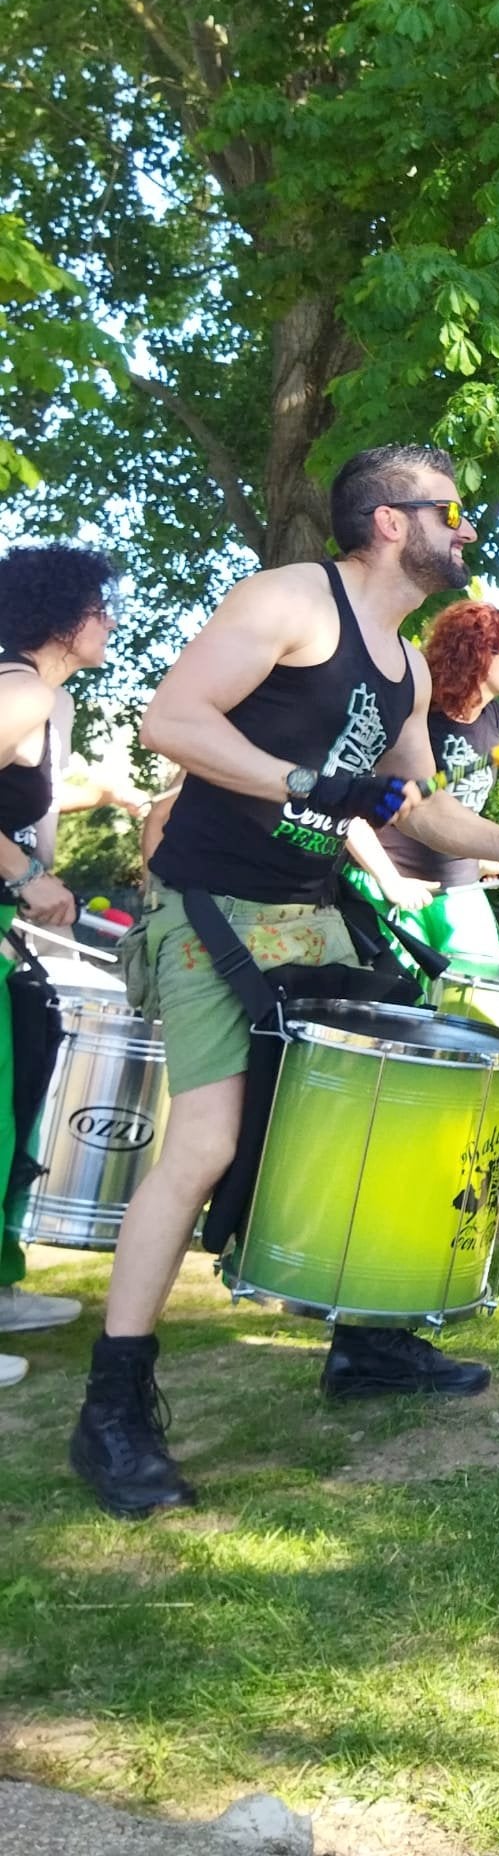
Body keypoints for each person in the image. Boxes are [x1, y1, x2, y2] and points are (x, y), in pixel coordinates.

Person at [67, 447, 499, 1517]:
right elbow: (172, 720)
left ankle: (368, 1339)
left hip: (310, 909)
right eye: (452, 510)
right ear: (392, 521)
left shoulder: (398, 661)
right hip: (212, 899)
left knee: (394, 1088)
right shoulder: (292, 598)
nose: (468, 529)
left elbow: (418, 808)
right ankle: (111, 1407)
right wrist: (308, 781)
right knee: (206, 1141)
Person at [0, 545, 122, 1374]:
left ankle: (2, 1287)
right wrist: (26, 875)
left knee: (15, 1106)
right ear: (63, 616)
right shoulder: (19, 689)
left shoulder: (44, 699)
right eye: (100, 607)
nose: (111, 621)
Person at [350, 599, 499, 957]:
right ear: (480, 653)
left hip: (459, 891)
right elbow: (351, 802)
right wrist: (390, 881)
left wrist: (480, 859)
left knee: (476, 1003)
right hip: (388, 883)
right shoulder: (415, 709)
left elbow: (459, 809)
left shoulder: (493, 715)